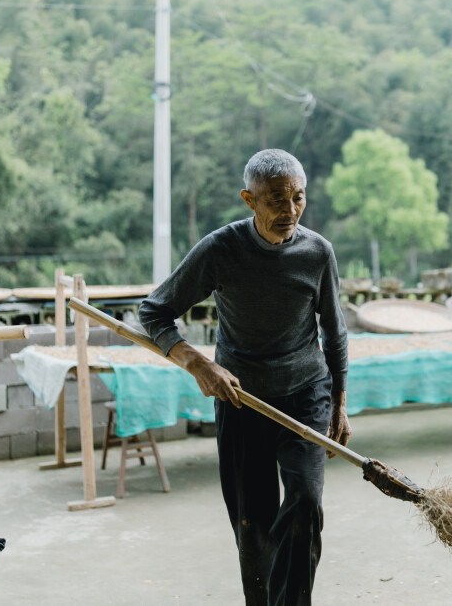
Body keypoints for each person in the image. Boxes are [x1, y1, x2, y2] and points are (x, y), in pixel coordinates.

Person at [138, 148, 351, 606]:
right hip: (241, 400)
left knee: (305, 504)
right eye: (276, 199)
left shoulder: (317, 252)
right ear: (249, 200)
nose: (290, 210)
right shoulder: (221, 249)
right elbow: (154, 311)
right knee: (252, 522)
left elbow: (335, 332)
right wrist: (197, 362)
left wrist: (339, 403)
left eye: (298, 197)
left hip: (305, 394)